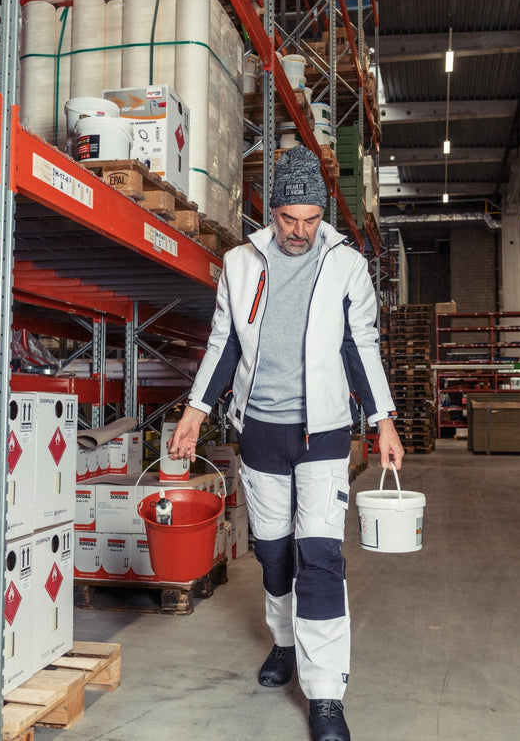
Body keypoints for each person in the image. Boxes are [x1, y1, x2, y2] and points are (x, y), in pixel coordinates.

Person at [168, 145, 404, 741]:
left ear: (321, 213)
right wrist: (196, 410)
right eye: (288, 219)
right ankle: (284, 645)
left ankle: (325, 694)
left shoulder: (345, 263)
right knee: (273, 557)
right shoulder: (241, 263)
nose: (300, 232)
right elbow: (223, 343)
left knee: (319, 560)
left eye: (310, 219)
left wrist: (384, 420)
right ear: (271, 212)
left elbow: (361, 347)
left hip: (323, 433)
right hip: (261, 434)